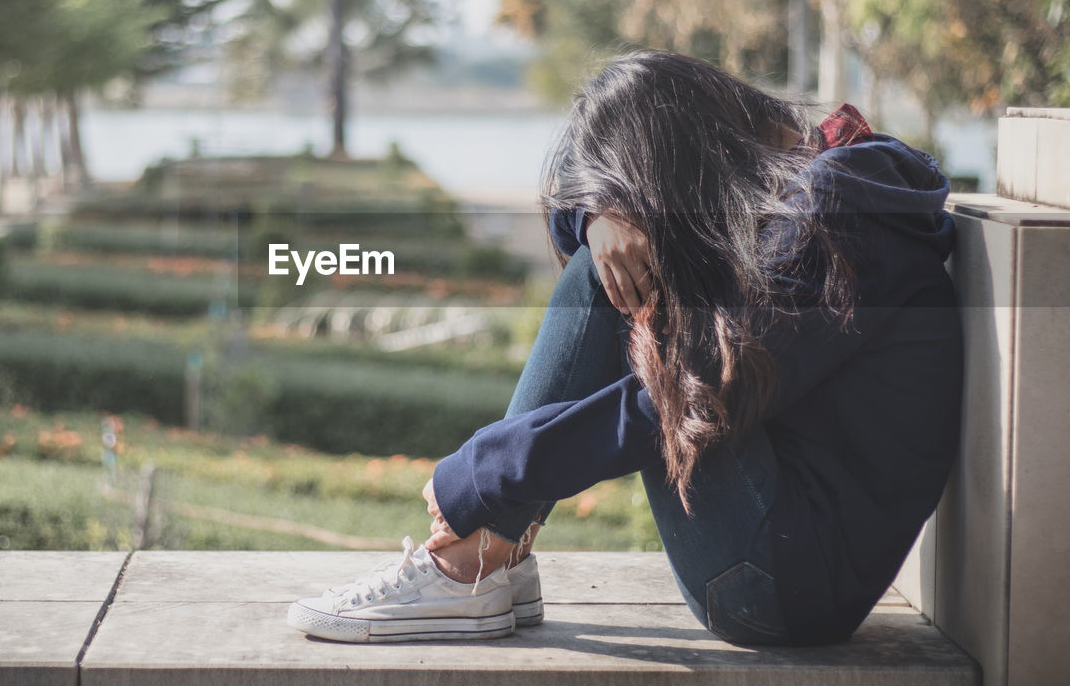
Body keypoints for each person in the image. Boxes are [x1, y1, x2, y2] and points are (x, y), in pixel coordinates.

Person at [287, 50, 963, 646]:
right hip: (785, 552)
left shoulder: (838, 218)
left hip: (780, 584)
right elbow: (576, 208)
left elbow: (691, 398)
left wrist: (486, 472)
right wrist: (596, 216)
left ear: (680, 164)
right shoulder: (820, 178)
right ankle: (491, 558)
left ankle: (472, 564)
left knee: (604, 280)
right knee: (604, 263)